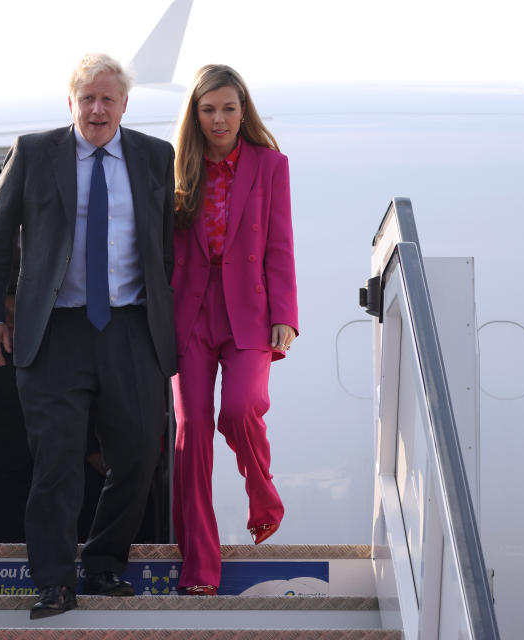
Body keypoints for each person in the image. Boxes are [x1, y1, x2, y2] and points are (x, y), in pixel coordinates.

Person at [0, 53, 177, 619]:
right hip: (55, 330)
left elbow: (166, 250)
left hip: (131, 328)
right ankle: (55, 581)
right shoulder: (35, 152)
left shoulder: (156, 157)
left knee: (138, 455)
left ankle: (106, 565)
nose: (97, 108)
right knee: (57, 459)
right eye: (86, 98)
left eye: (108, 98)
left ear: (124, 105)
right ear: (71, 103)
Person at [170, 64, 298, 596]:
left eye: (228, 107)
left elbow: (279, 243)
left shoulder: (271, 166)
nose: (219, 119)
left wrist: (285, 314)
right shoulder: (176, 169)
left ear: (243, 109)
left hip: (248, 311)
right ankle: (200, 567)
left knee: (242, 408)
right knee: (191, 433)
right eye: (208, 109)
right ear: (194, 116)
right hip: (189, 314)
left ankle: (262, 491)